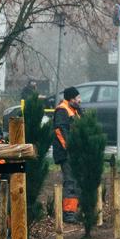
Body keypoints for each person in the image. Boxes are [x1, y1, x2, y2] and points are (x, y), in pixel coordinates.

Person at [52, 86, 82, 223]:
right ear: (71, 99)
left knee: (76, 181)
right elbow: (60, 131)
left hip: (74, 151)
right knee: (70, 181)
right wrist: (68, 148)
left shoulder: (74, 110)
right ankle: (68, 213)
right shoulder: (62, 110)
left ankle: (74, 210)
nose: (80, 100)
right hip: (66, 153)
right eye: (78, 98)